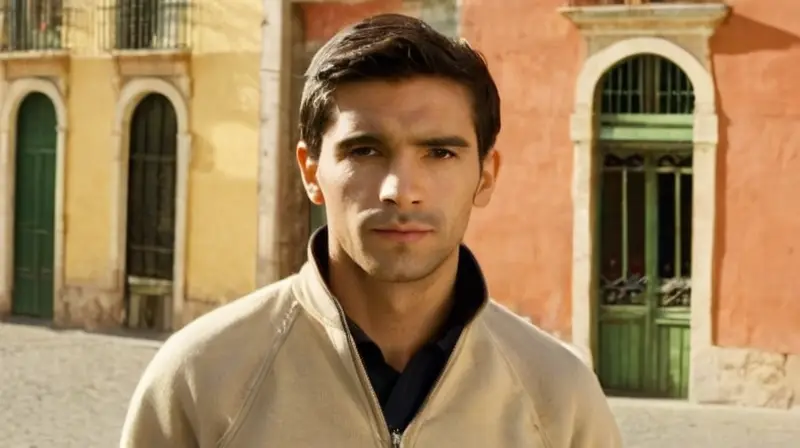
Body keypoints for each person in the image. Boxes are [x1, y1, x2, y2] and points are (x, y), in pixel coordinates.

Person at [120, 13, 622, 448]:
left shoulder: (561, 399)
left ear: (485, 176)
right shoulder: (198, 380)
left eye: (440, 153)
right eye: (365, 150)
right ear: (311, 171)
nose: (401, 190)